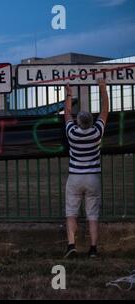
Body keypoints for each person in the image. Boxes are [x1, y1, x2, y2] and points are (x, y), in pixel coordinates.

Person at [63, 79, 109, 259]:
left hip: (75, 177)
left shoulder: (72, 133)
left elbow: (66, 114)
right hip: (93, 178)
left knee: (71, 213)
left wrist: (69, 94)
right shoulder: (97, 132)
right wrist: (103, 89)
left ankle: (71, 246)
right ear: (91, 121)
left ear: (78, 122)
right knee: (93, 215)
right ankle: (93, 249)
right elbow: (105, 111)